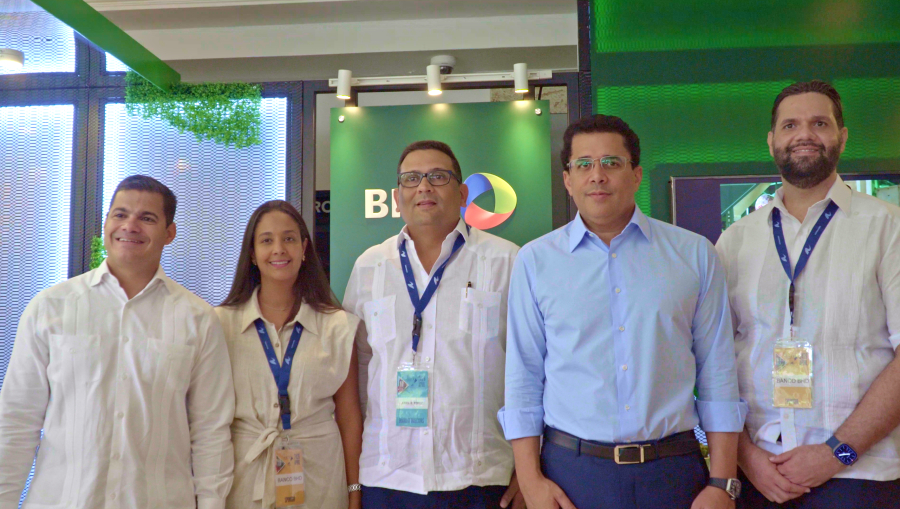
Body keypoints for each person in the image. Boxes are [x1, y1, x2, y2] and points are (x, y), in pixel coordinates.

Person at [500, 114, 747, 509]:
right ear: (568, 180)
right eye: (583, 164)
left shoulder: (694, 254)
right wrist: (530, 481)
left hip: (673, 471)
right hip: (571, 473)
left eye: (611, 163)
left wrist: (723, 482)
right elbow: (524, 376)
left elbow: (718, 371)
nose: (597, 175)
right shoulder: (536, 261)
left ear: (636, 175)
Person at [716, 80, 900, 508]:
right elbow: (713, 362)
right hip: (761, 475)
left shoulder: (888, 227)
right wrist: (746, 459)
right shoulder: (735, 240)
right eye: (790, 125)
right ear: (771, 141)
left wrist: (837, 453)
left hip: (860, 475)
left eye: (820, 123)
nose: (804, 135)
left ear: (842, 137)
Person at [0, 175, 235, 508]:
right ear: (106, 223)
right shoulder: (51, 307)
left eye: (147, 218)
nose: (130, 225)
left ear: (169, 233)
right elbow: (16, 419)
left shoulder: (198, 319)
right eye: (120, 214)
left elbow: (211, 431)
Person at [343, 140, 523, 508]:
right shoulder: (369, 266)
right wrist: (353, 484)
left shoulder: (507, 261)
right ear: (397, 198)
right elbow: (357, 371)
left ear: (462, 194)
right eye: (411, 179)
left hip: (483, 477)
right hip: (387, 477)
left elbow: (534, 369)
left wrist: (529, 468)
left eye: (437, 176)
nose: (424, 187)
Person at [217, 200, 362, 509]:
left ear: (304, 248)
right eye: (266, 240)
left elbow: (349, 416)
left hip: (321, 478)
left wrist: (354, 491)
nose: (279, 249)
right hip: (243, 480)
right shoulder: (220, 325)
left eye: (289, 238)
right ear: (252, 254)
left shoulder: (337, 326)